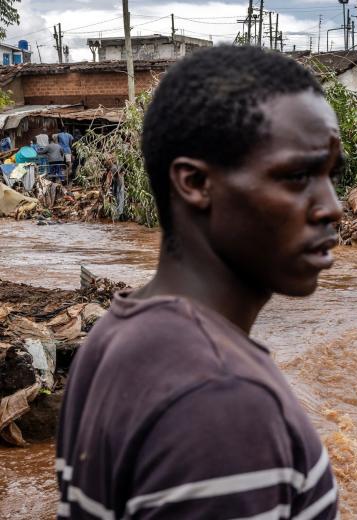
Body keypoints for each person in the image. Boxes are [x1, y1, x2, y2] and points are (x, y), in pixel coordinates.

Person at [55, 47, 340, 520]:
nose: (332, 206)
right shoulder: (221, 400)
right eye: (296, 175)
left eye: (332, 175)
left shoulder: (112, 336)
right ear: (194, 183)